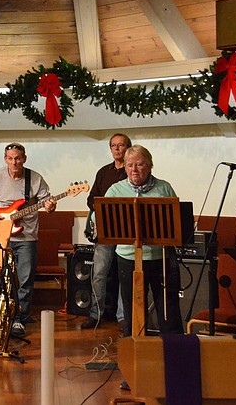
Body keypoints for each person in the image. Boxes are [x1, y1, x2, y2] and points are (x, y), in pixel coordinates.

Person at [0, 142, 56, 339]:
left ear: (24, 158)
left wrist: (50, 206)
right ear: (5, 159)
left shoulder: (34, 178)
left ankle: (20, 319)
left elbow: (47, 202)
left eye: (18, 158)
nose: (14, 162)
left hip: (26, 236)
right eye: (10, 158)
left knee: (25, 280)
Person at [108, 145, 183, 337]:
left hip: (161, 258)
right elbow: (99, 219)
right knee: (132, 308)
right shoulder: (115, 190)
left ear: (149, 166)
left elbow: (177, 218)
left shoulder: (163, 187)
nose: (134, 169)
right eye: (130, 165)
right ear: (124, 167)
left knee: (168, 307)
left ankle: (173, 350)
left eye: (140, 164)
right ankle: (134, 349)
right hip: (128, 258)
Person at [81, 133, 131, 330]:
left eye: (121, 145)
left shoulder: (132, 171)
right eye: (113, 146)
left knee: (124, 274)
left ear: (128, 147)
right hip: (105, 230)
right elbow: (91, 199)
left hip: (127, 232)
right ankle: (96, 314)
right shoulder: (103, 172)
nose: (117, 149)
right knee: (99, 273)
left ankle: (123, 317)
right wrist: (103, 207)